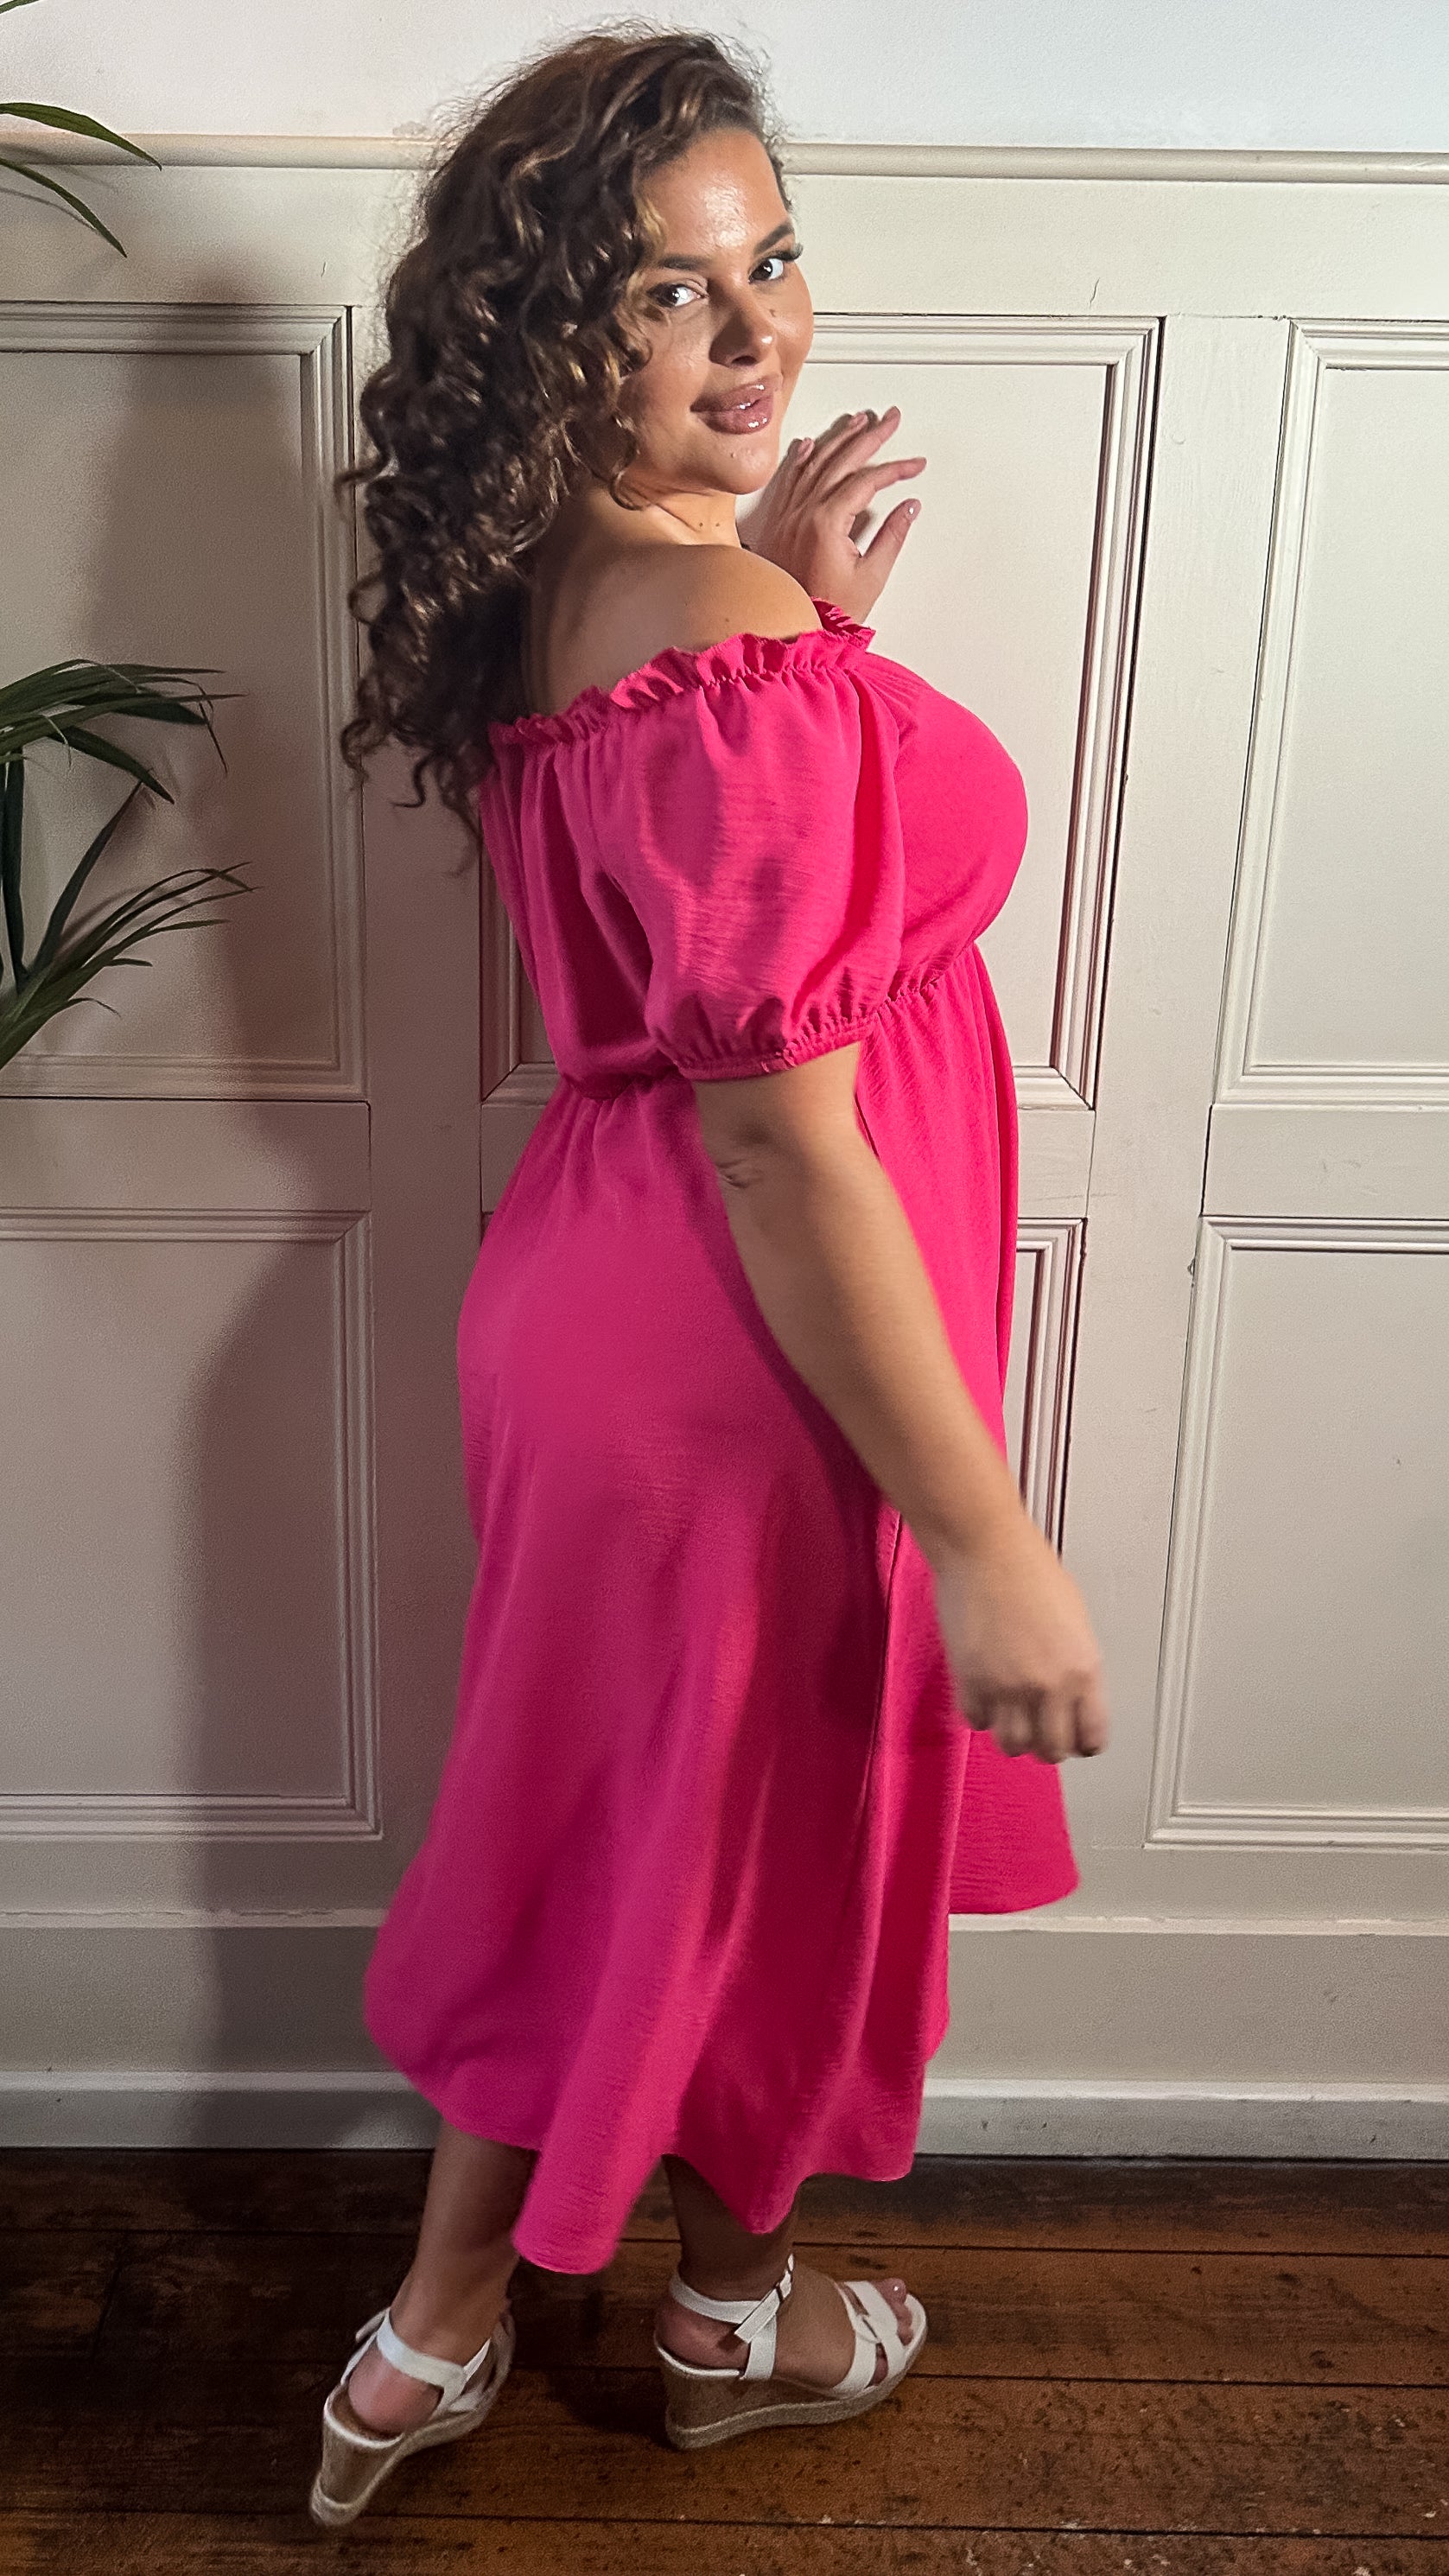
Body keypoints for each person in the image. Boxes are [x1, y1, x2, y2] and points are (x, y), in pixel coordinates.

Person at [312, 22, 1110, 2531]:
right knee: (758, 1852)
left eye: (775, 265)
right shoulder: (711, 621)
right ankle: (732, 2327)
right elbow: (779, 1129)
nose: (757, 337)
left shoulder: (585, 585)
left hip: (605, 1303)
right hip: (754, 1345)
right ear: (550, 325)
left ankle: (430, 2343)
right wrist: (983, 1531)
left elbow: (727, 909)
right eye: (669, 294)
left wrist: (823, 635)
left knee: (619, 1827)